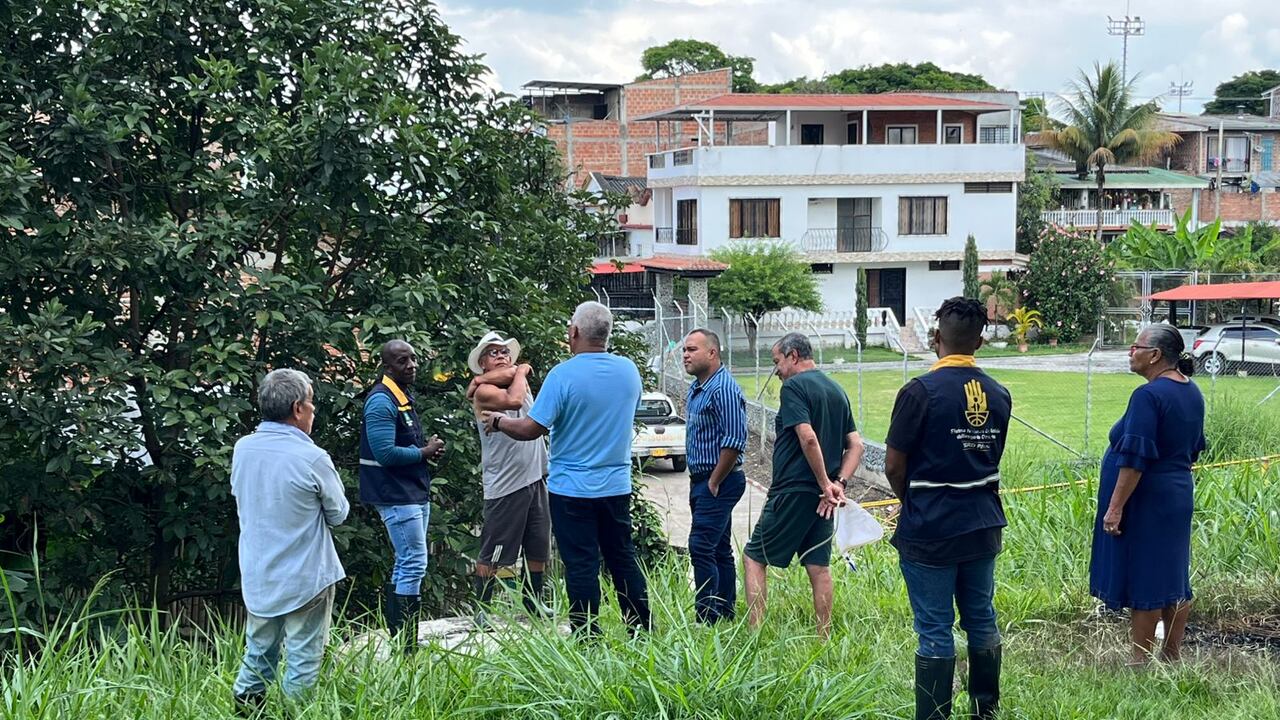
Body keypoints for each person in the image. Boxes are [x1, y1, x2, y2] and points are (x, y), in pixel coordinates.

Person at [481, 301, 650, 636]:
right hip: (616, 485)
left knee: (581, 564)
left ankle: (587, 636)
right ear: (607, 334)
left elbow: (531, 429)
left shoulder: (562, 375)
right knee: (622, 558)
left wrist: (499, 422)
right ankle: (640, 631)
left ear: (574, 332)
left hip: (571, 490)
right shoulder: (629, 371)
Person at [884, 297, 1012, 720]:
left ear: (936, 337)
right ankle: (985, 712)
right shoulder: (999, 394)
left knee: (935, 628)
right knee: (981, 618)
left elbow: (894, 465)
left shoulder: (919, 392)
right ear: (980, 342)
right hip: (982, 523)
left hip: (931, 526)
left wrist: (912, 501)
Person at [230, 369, 349, 715]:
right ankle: (294, 713)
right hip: (306, 577)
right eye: (311, 403)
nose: (313, 410)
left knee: (258, 650)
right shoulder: (312, 457)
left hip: (259, 573)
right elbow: (338, 513)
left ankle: (245, 711)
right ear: (298, 408)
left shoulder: (243, 449)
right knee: (303, 659)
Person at [1090, 324, 1204, 665]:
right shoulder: (1191, 390)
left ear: (1154, 355)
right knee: (1173, 575)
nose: (1131, 352)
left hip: (1146, 499)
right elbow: (1194, 449)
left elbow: (1135, 459)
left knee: (1147, 579)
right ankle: (1171, 656)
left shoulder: (1148, 396)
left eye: (1135, 347)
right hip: (1176, 494)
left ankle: (1138, 662)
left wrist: (1115, 507)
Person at [743, 332, 863, 639]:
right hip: (823, 499)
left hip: (793, 489)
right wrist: (838, 483)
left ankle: (755, 637)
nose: (776, 370)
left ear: (793, 356)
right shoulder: (836, 389)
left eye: (777, 362)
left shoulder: (794, 387)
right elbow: (856, 445)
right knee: (818, 566)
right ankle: (824, 637)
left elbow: (807, 437)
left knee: (754, 558)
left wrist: (824, 483)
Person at [358, 340, 445, 651]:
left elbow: (401, 446)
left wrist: (425, 452)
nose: (411, 365)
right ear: (387, 367)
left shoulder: (401, 396)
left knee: (406, 562)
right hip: (395, 494)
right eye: (402, 361)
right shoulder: (381, 402)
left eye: (413, 358)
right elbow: (385, 453)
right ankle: (407, 646)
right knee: (414, 563)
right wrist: (424, 452)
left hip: (412, 491)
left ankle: (400, 640)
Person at [465, 330, 551, 622]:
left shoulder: (514, 380)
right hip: (506, 483)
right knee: (494, 549)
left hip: (535, 476)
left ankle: (534, 601)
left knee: (538, 545)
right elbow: (514, 402)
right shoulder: (484, 392)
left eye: (505, 352)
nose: (501, 356)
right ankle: (483, 608)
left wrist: (515, 372)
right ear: (482, 364)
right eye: (493, 353)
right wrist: (521, 370)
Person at [681, 328, 749, 624]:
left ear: (712, 352)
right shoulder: (698, 388)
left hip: (720, 480)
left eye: (692, 349)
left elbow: (734, 440)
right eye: (684, 350)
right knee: (719, 547)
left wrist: (714, 481)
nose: (685, 355)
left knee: (700, 545)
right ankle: (724, 613)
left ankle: (706, 617)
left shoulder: (724, 389)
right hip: (702, 480)